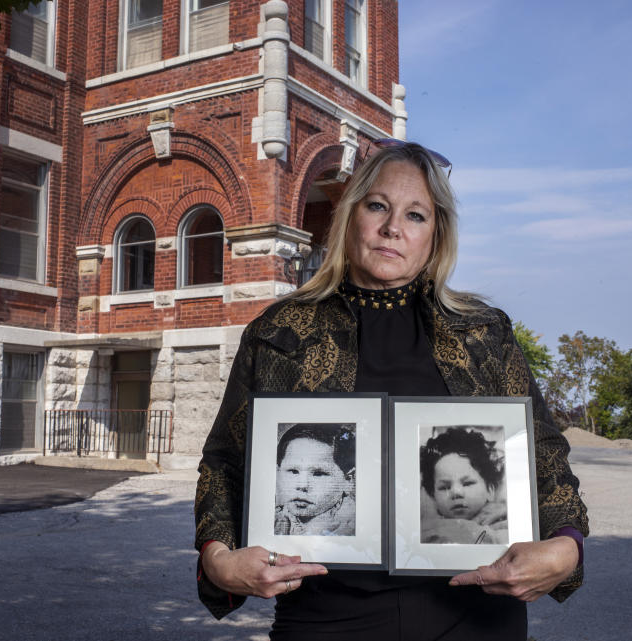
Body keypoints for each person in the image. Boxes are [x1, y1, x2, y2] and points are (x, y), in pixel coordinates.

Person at [194, 139, 588, 640]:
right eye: (378, 205)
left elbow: (544, 455)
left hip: (476, 616)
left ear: (436, 235)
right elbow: (225, 462)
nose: (392, 228)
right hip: (326, 618)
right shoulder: (279, 331)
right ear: (350, 215)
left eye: (416, 215)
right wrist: (219, 558)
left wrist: (567, 545)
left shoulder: (485, 333)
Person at [420, 427, 508, 545]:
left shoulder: (502, 528)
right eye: (444, 487)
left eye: (468, 483)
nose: (456, 492)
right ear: (433, 496)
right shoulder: (426, 533)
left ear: (490, 490)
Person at [274, 423, 356, 536]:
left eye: (318, 474)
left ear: (348, 480)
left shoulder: (352, 529)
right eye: (293, 471)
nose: (302, 485)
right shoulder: (276, 520)